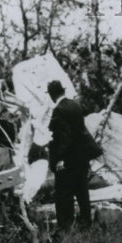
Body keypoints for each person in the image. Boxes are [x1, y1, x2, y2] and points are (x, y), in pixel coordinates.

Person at [46, 79, 93, 231]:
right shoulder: (75, 105)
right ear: (63, 91)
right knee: (82, 192)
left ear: (52, 95)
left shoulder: (58, 110)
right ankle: (87, 223)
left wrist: (60, 159)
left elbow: (64, 137)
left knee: (64, 194)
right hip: (81, 157)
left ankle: (65, 226)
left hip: (68, 160)